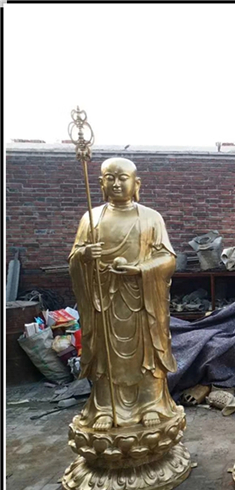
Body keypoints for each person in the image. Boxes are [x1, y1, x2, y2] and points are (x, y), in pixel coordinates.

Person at [69, 157, 179, 431]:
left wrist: (141, 269)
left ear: (136, 183)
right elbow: (74, 258)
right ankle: (106, 407)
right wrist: (84, 255)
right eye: (110, 178)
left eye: (123, 178)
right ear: (101, 183)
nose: (116, 184)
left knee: (147, 354)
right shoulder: (92, 218)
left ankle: (151, 403)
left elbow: (168, 259)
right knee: (106, 356)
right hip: (104, 301)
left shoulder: (151, 217)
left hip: (142, 301)